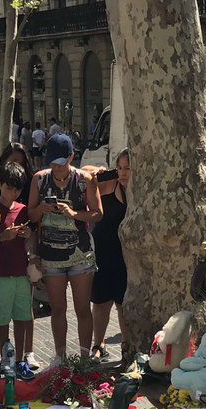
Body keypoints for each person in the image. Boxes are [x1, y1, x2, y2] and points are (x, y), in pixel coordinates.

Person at [26, 133, 103, 361]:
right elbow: (30, 213)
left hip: (80, 253)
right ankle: (60, 356)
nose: (56, 168)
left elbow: (98, 214)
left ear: (71, 157)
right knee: (57, 308)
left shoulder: (84, 180)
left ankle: (84, 356)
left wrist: (74, 213)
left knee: (82, 308)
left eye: (60, 163)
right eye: (52, 163)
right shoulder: (39, 179)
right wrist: (41, 209)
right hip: (51, 254)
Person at [0, 162, 34, 379]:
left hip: (21, 273)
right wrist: (1, 237)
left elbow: (31, 242)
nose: (12, 193)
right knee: (0, 321)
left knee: (22, 319)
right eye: (8, 188)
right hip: (0, 275)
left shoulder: (23, 210)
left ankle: (20, 360)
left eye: (17, 189)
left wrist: (27, 236)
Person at [91, 148, 130, 361]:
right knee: (101, 302)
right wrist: (99, 171)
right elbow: (86, 175)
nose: (123, 173)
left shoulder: (142, 188)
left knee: (123, 303)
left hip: (127, 256)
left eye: (128, 168)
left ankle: (126, 345)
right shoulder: (110, 182)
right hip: (104, 251)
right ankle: (98, 345)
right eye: (120, 168)